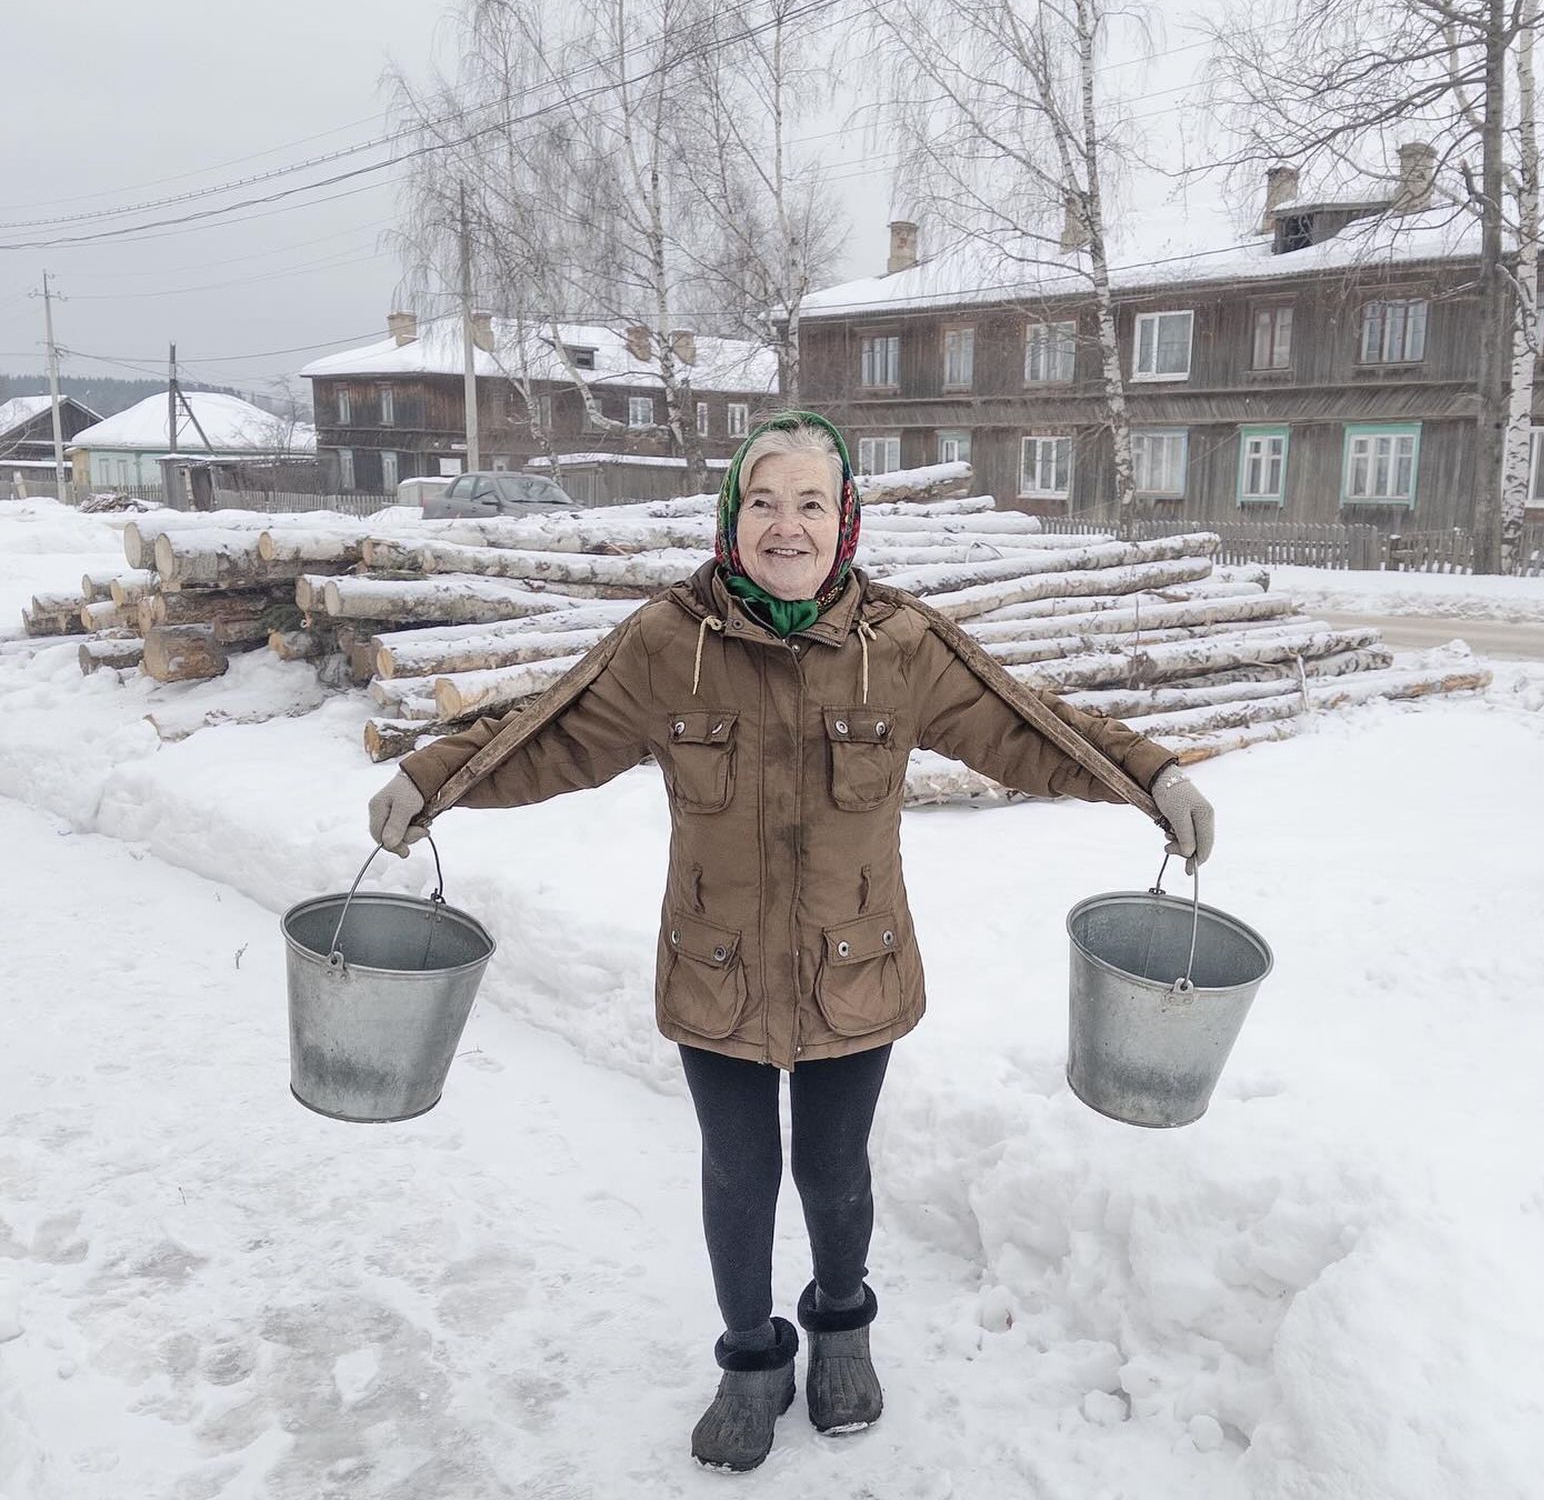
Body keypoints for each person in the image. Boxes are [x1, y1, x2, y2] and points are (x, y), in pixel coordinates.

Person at [368, 411, 1214, 1472]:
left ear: (843, 518)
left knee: (832, 1165)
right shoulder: (669, 642)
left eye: (810, 503)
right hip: (714, 968)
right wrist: (429, 779)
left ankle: (842, 1325)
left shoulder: (898, 645)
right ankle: (748, 1356)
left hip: (851, 967)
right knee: (736, 1170)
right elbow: (555, 729)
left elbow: (1024, 724)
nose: (786, 525)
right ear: (733, 515)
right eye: (763, 501)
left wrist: (1153, 776)